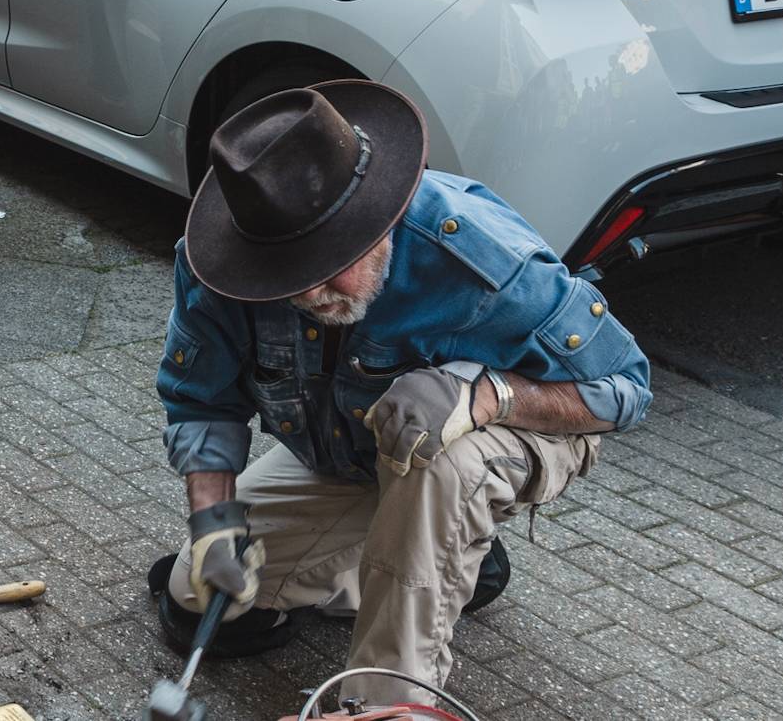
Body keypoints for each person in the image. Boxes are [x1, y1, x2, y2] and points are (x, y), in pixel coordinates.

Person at [152, 80, 654, 709]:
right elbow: (202, 402)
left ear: (380, 216)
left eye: (331, 263)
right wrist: (214, 525)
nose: (311, 295)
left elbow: (626, 389)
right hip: (352, 453)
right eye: (289, 276)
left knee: (441, 464)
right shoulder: (226, 270)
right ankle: (448, 560)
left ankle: (387, 702)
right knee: (201, 603)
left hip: (499, 435)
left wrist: (484, 394)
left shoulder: (479, 260)